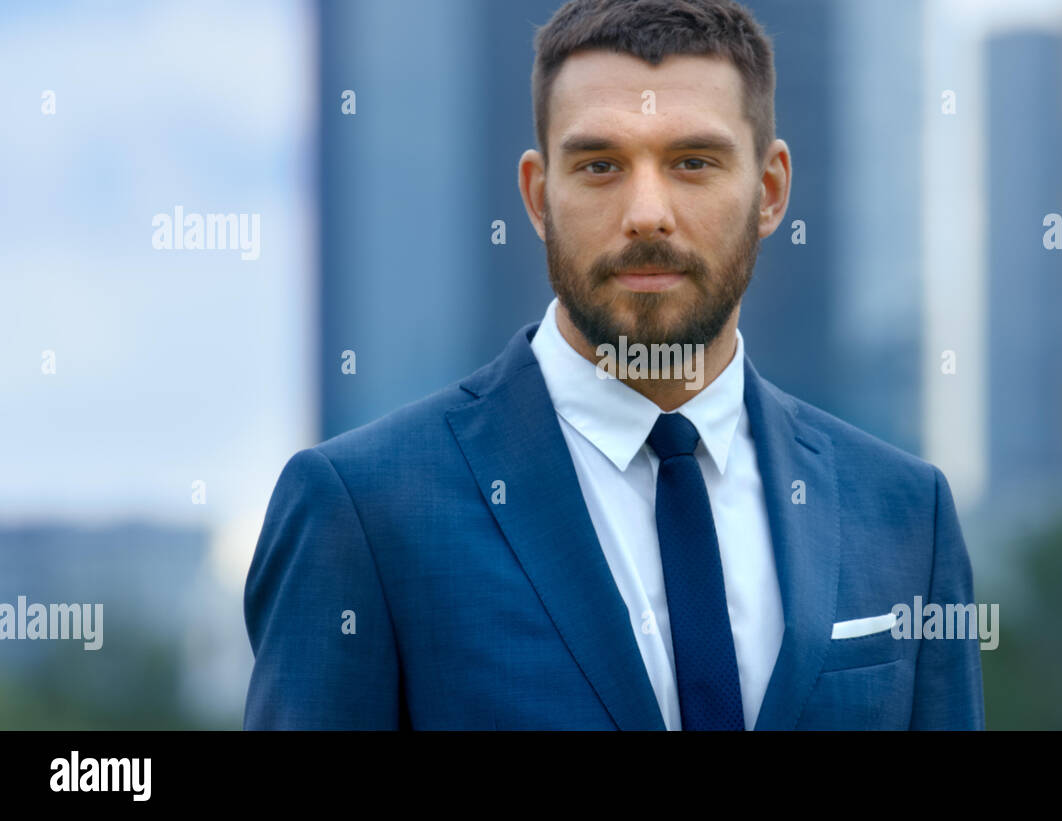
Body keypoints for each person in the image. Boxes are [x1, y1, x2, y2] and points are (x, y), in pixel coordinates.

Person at [244, 0, 984, 730]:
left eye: (693, 162)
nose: (647, 212)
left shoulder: (904, 514)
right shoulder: (364, 512)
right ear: (539, 197)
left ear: (770, 190)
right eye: (600, 165)